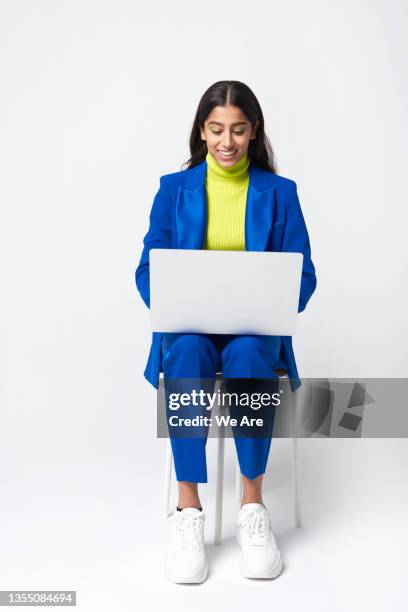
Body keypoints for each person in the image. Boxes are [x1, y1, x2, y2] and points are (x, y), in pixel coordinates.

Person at [135, 80, 317, 583]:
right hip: (189, 324)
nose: (227, 141)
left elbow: (304, 275)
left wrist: (277, 301)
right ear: (201, 131)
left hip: (254, 330)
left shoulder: (280, 194)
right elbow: (147, 269)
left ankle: (253, 507)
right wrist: (171, 299)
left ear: (254, 133)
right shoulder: (174, 190)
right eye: (216, 129)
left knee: (249, 359)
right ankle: (189, 510)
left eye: (238, 130)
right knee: (187, 352)